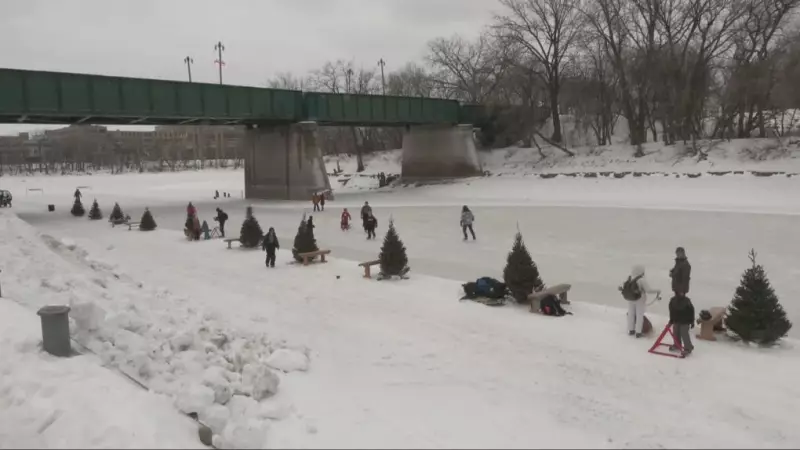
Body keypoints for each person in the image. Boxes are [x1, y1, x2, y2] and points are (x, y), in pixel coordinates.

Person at [623, 265, 661, 338]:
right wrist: (657, 290)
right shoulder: (641, 280)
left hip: (630, 298)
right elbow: (648, 290)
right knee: (639, 315)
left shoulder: (629, 278)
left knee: (631, 314)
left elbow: (622, 287)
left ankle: (631, 330)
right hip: (640, 299)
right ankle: (638, 332)